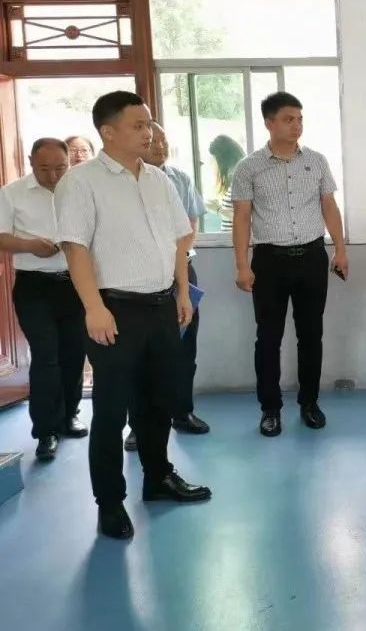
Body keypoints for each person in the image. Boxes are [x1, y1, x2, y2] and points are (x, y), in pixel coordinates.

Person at [55, 91, 211, 540]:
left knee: (158, 400)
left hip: (162, 306)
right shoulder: (81, 182)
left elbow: (179, 239)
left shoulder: (159, 179)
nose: (149, 132)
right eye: (138, 125)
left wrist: (182, 292)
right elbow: (75, 249)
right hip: (114, 308)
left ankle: (158, 477)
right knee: (111, 410)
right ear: (108, 132)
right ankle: (109, 502)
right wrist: (94, 308)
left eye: (149, 123)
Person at [232, 92, 347, 437]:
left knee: (311, 335)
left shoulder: (317, 161)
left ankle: (309, 403)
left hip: (312, 257)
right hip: (270, 261)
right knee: (268, 338)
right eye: (288, 119)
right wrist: (242, 265)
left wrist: (340, 250)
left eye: (299, 119)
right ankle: (270, 409)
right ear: (269, 123)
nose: (296, 125)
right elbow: (242, 218)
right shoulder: (249, 167)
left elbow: (329, 207)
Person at [0, 138, 87, 461]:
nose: (53, 176)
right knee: (46, 356)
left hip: (75, 283)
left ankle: (69, 415)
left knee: (74, 354)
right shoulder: (12, 193)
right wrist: (29, 245)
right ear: (31, 162)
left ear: (69, 162)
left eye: (60, 168)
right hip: (34, 288)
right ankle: (45, 431)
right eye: (44, 169)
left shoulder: (80, 189)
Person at [146, 121, 209, 434]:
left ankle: (182, 413)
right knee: (143, 353)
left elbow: (191, 224)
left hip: (182, 269)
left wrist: (178, 259)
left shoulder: (180, 178)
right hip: (143, 275)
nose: (160, 146)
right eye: (152, 141)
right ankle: (139, 425)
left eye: (163, 140)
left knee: (185, 347)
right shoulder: (125, 183)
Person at [208, 134, 244, 233]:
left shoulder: (240, 178)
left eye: (214, 159)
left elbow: (243, 217)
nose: (213, 164)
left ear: (222, 159)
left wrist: (217, 209)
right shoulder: (235, 177)